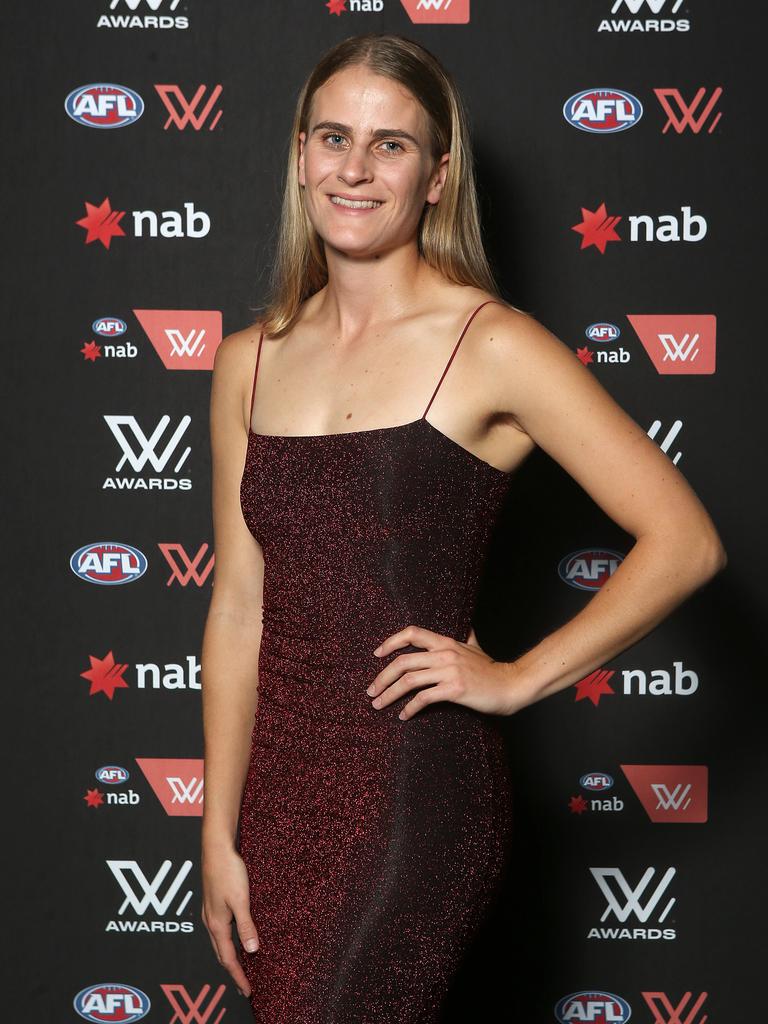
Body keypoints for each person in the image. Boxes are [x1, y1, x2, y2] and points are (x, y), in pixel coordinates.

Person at [199, 32, 726, 1023]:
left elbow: (686, 539)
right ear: (301, 157)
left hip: (413, 790)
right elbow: (237, 613)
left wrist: (520, 676)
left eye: (391, 146)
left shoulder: (491, 344)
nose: (354, 168)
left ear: (438, 177)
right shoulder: (245, 360)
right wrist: (216, 831)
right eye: (333, 137)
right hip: (277, 798)